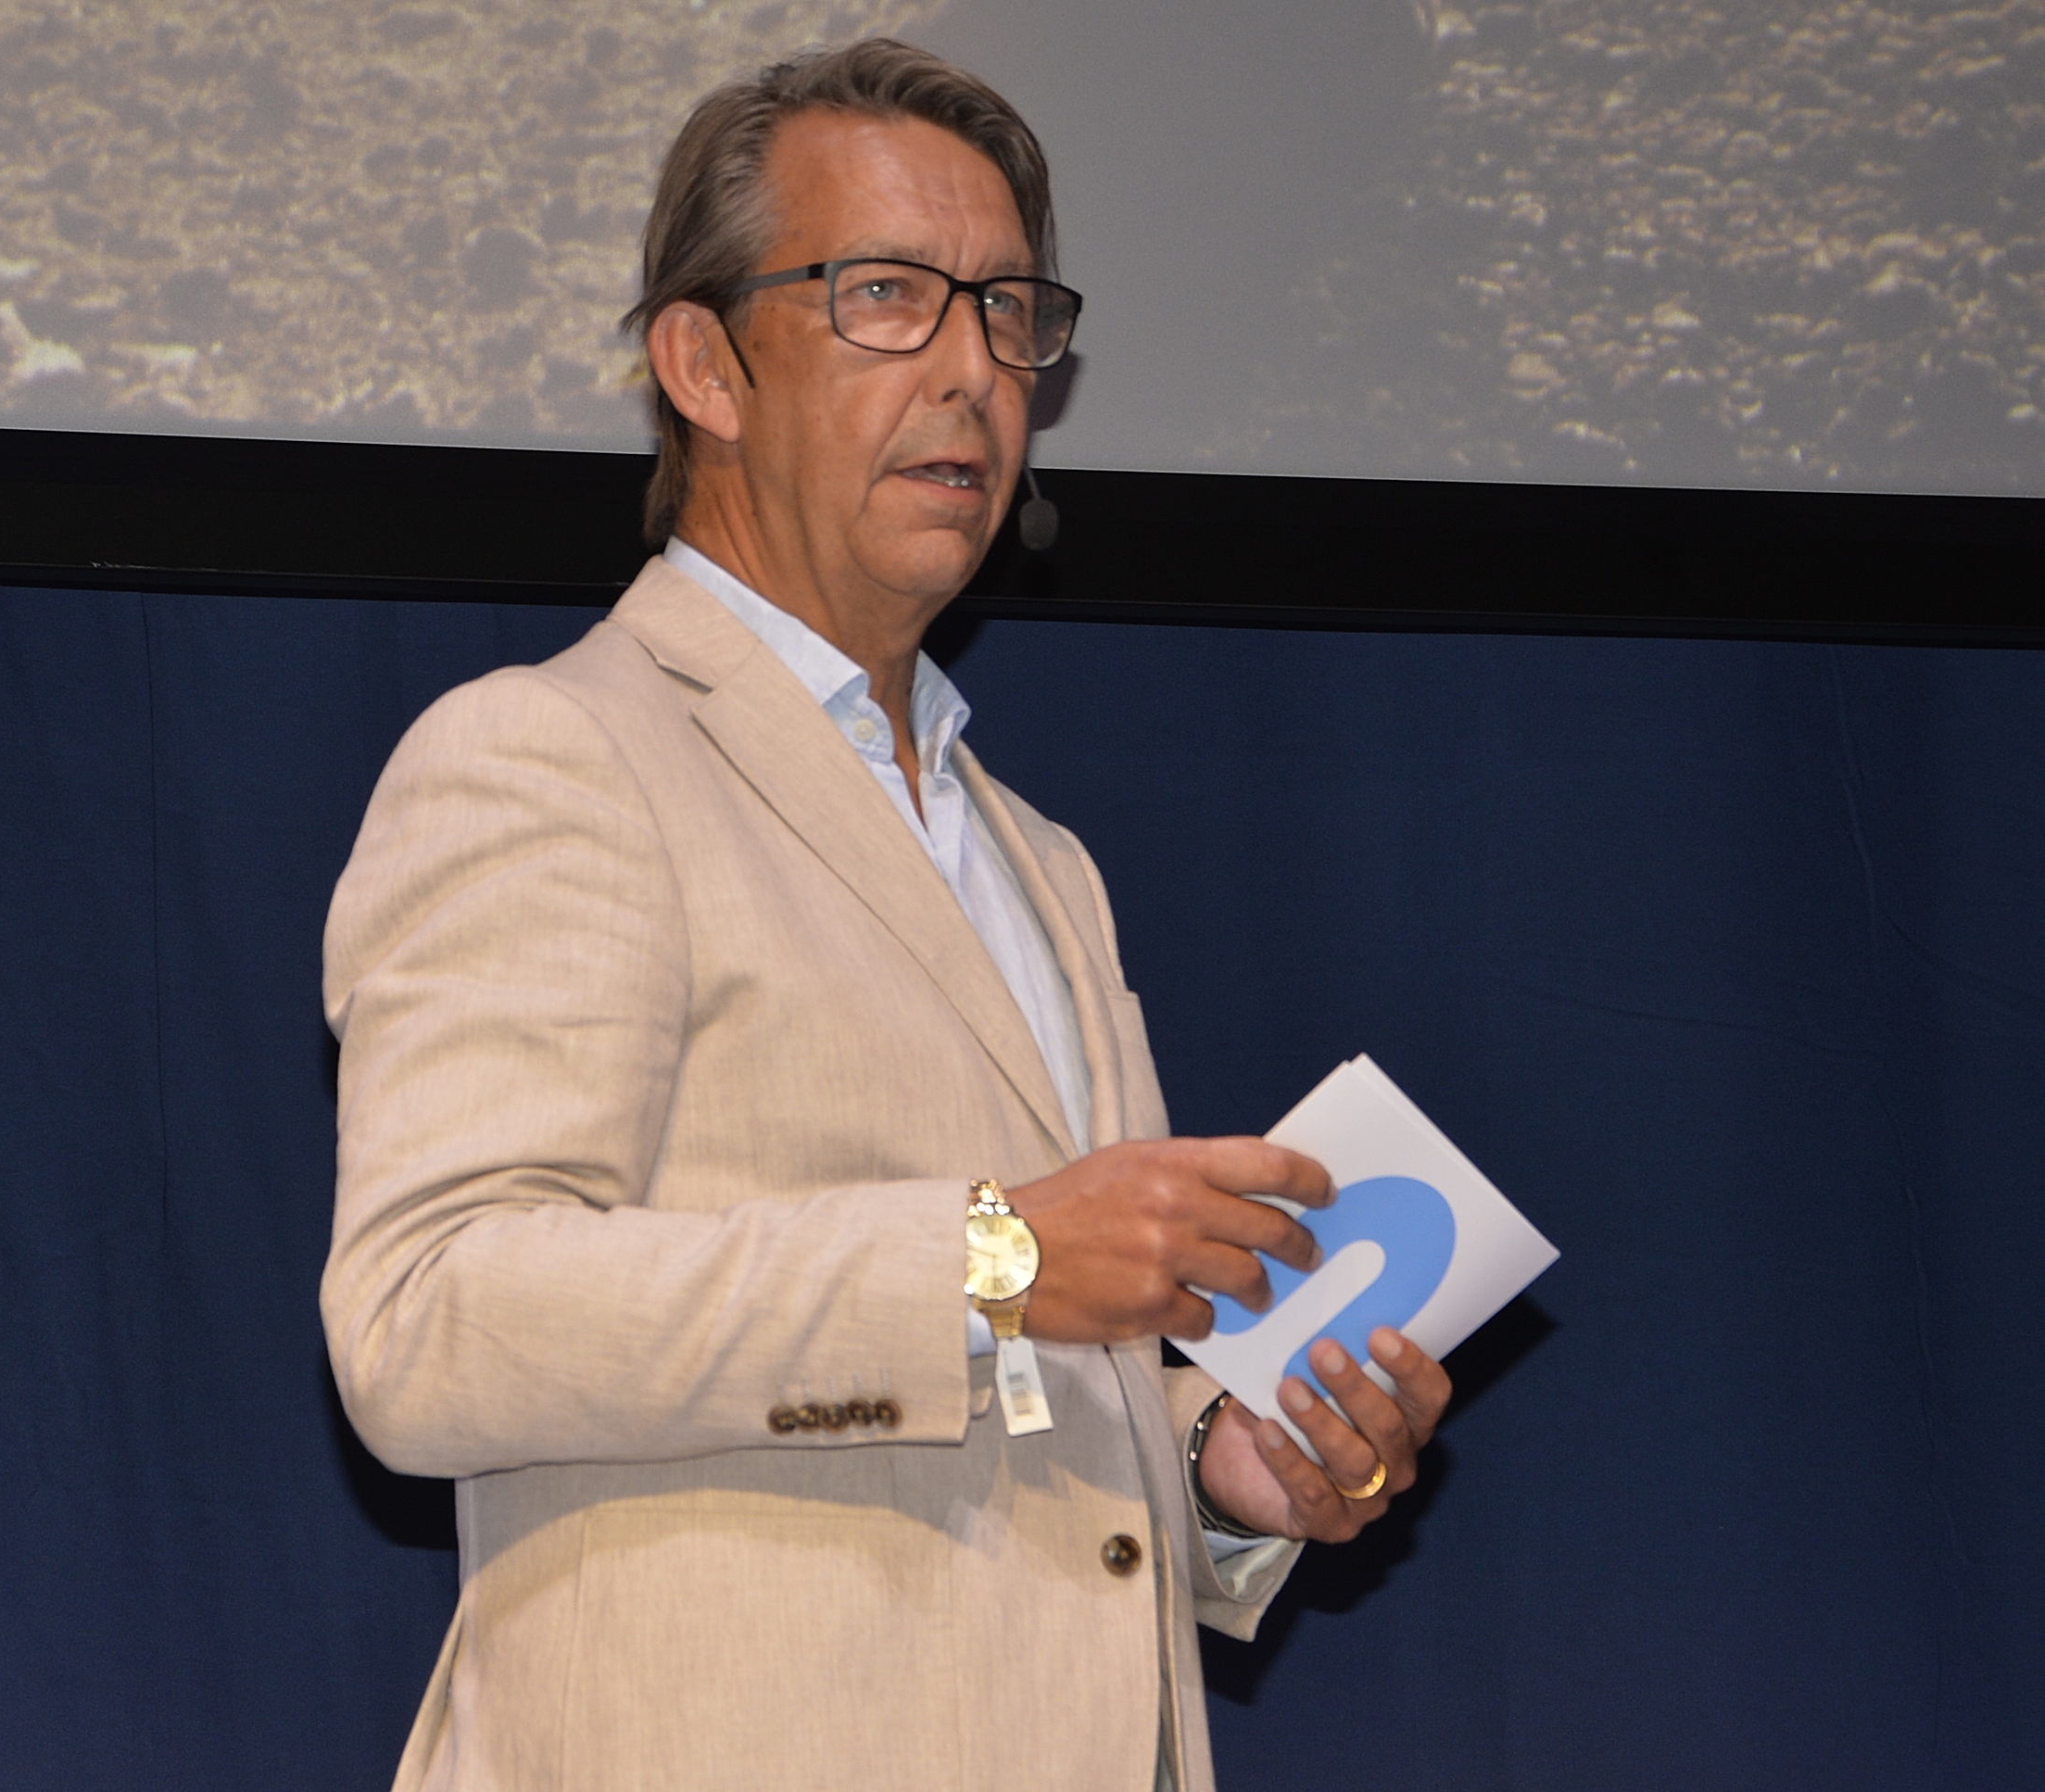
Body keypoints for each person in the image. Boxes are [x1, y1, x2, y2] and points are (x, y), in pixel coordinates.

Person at [322, 38, 1451, 1792]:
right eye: (886, 297)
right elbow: (433, 1319)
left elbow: (1033, 1389)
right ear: (704, 363)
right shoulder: (554, 754)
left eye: (1008, 313)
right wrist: (997, 1258)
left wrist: (1226, 1474)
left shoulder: (1040, 860)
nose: (973, 370)